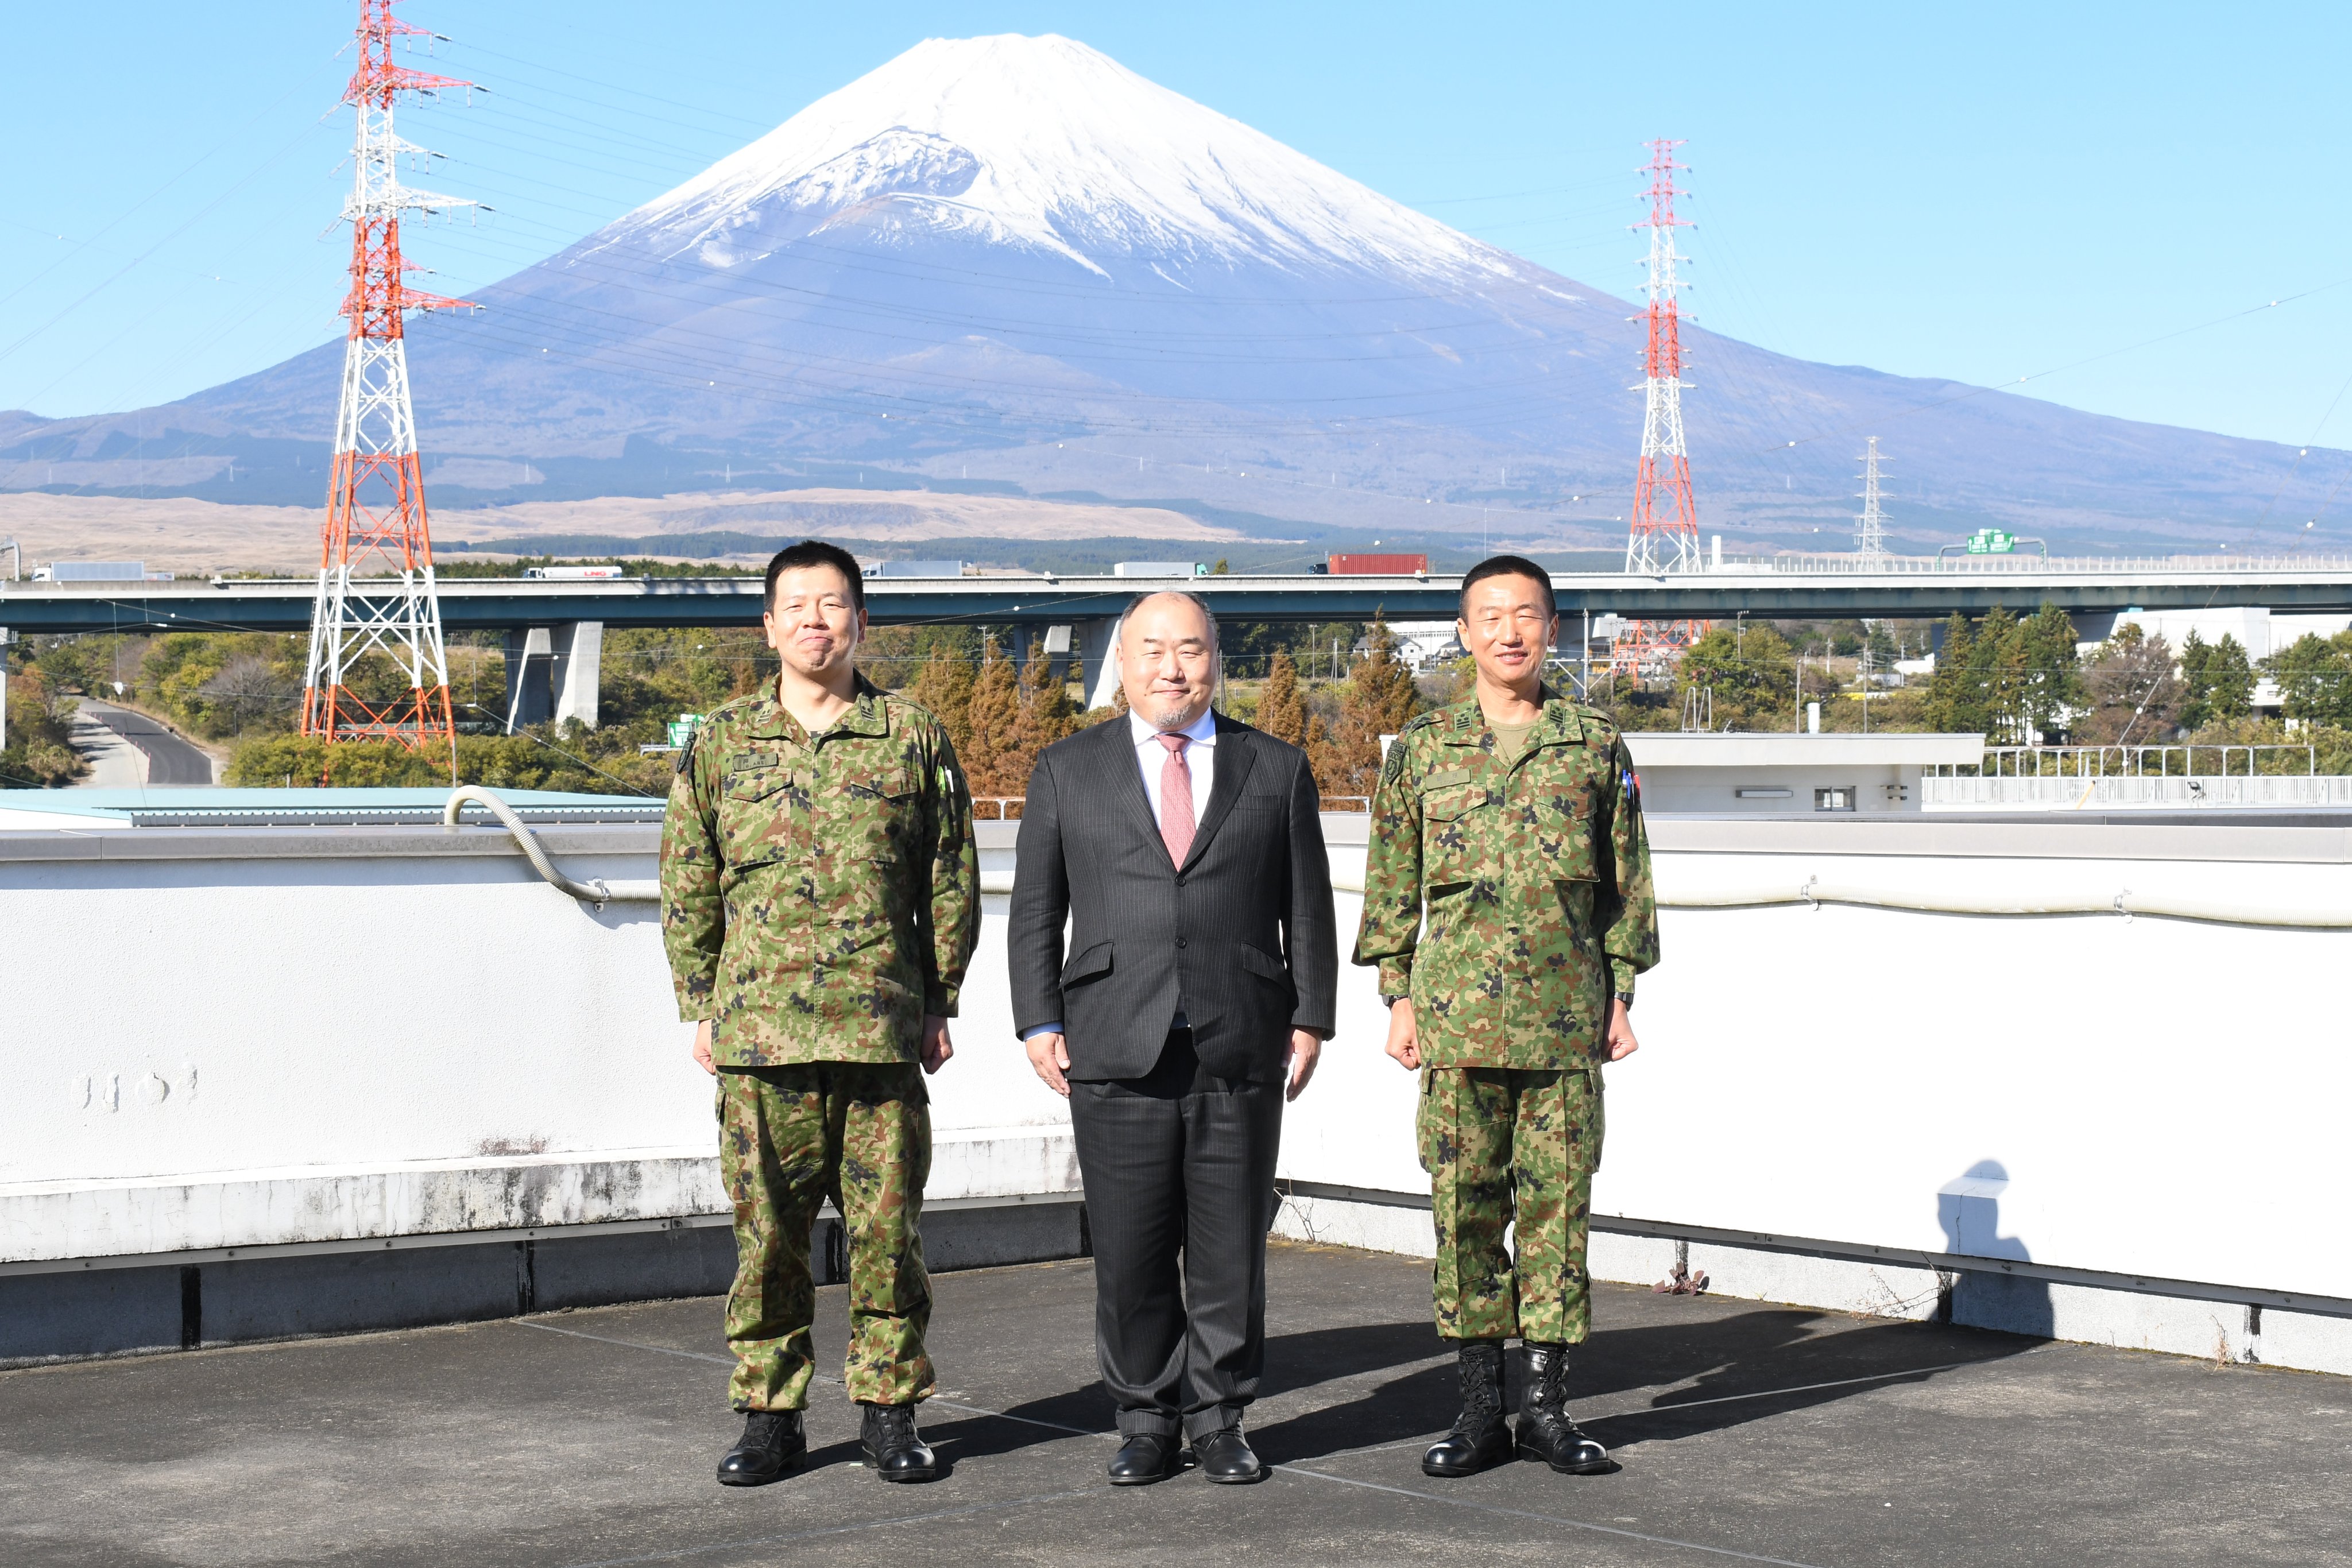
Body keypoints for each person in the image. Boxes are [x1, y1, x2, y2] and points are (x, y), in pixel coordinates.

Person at [660, 539, 980, 1488]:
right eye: (796, 605)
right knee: (768, 1244)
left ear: (860, 621)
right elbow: (688, 878)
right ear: (767, 626)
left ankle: (890, 1412)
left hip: (881, 1033)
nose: (815, 621)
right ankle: (770, 1416)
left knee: (888, 1240)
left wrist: (939, 999)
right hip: (759, 1042)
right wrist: (699, 1006)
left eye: (833, 604)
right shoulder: (719, 742)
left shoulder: (912, 735)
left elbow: (949, 876)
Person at [1007, 591, 1337, 1486]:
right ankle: (1145, 1417)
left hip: (1242, 1037)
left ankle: (1221, 1416)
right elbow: (1037, 909)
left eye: (1190, 649)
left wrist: (1310, 1017)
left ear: (1215, 660)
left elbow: (1306, 903)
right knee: (1131, 1247)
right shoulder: (1068, 769)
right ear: (1121, 662)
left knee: (1230, 1244)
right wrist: (1038, 1018)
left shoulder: (1276, 767)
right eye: (1152, 650)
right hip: (1114, 1036)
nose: (1172, 668)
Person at [1353, 554, 1659, 1480]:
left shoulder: (1595, 745)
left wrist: (1622, 996)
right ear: (1464, 632)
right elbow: (1392, 884)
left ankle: (1549, 1411)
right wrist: (1397, 997)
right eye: (1491, 617)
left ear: (1553, 629)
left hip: (1566, 1025)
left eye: (1527, 615)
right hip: (1455, 1027)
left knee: (1559, 1214)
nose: (1510, 633)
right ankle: (1480, 1409)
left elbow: (1627, 888)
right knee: (1465, 1212)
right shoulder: (1423, 747)